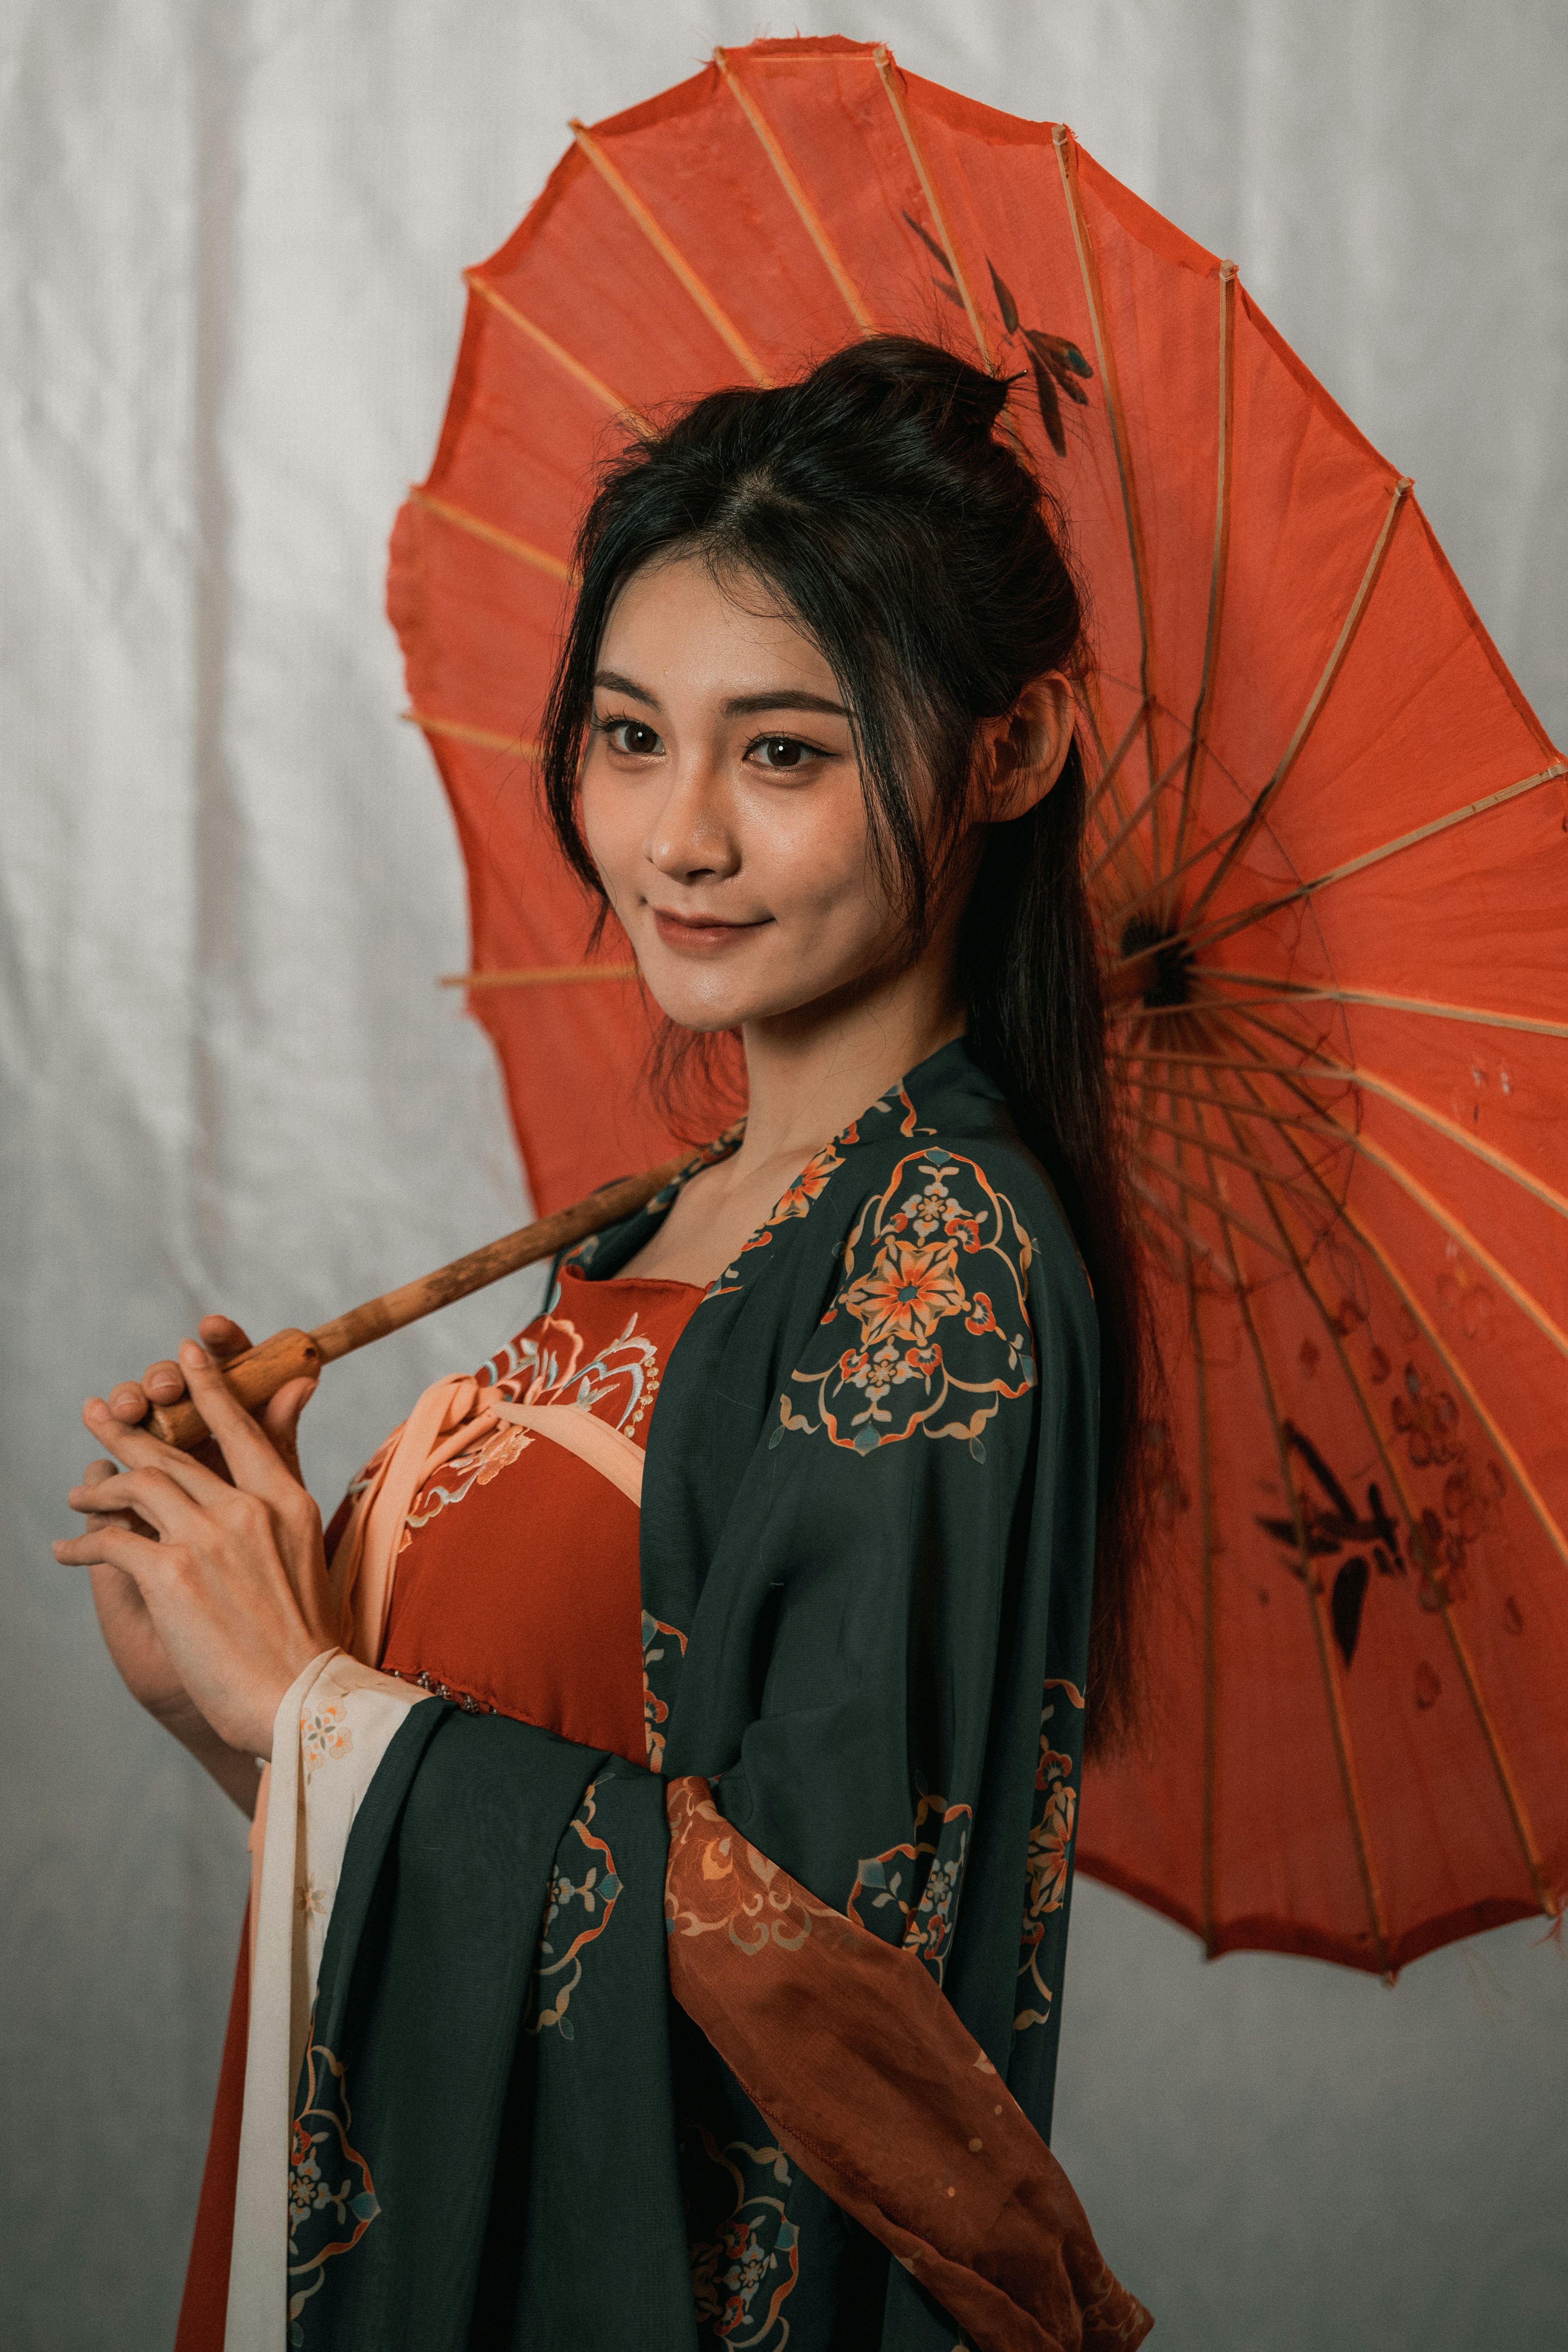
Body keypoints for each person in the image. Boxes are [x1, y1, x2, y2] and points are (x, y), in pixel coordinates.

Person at [59, 337, 1154, 2351]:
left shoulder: (942, 1261)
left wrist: (309, 1690)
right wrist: (238, 1687)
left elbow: (812, 1981)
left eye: (789, 752)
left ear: (1014, 748)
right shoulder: (656, 1220)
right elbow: (518, 1874)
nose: (679, 839)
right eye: (633, 735)